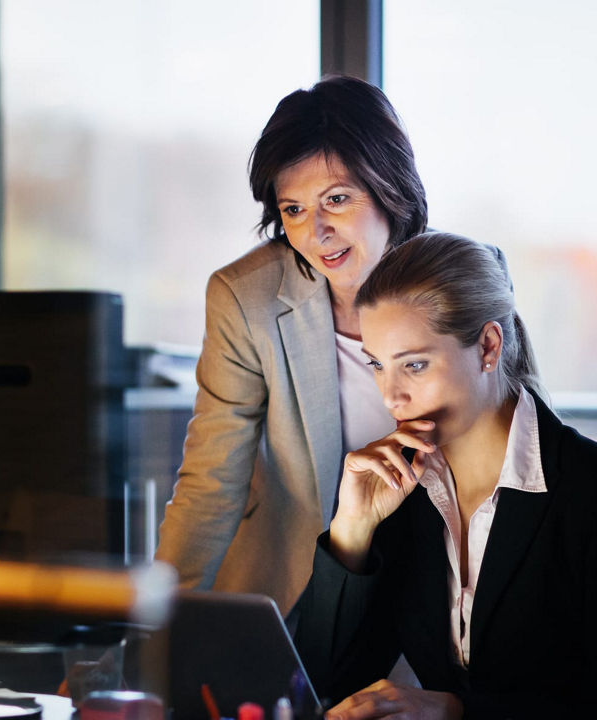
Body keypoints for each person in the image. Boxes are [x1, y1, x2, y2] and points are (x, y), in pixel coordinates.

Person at [292, 232, 597, 719]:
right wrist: (352, 532)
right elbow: (327, 681)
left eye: (415, 365)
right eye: (378, 366)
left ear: (488, 347)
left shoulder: (596, 487)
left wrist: (456, 711)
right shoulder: (406, 490)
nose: (391, 397)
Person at [155, 75, 428, 616]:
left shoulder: (467, 282)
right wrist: (148, 639)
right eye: (294, 209)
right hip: (295, 596)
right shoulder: (246, 298)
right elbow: (210, 484)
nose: (316, 231)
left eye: (337, 199)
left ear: (389, 187)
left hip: (432, 601)